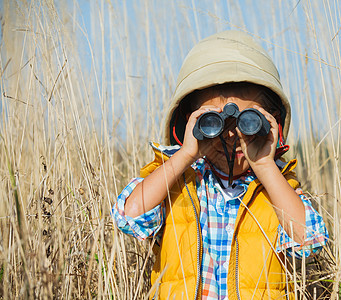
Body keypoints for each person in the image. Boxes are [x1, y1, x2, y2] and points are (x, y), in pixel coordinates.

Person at [111, 30, 328, 299]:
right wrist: (186, 154)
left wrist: (264, 166)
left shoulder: (276, 188)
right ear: (190, 122)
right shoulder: (179, 181)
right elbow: (129, 216)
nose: (231, 135)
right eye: (212, 122)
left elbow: (311, 241)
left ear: (271, 121)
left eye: (248, 122)